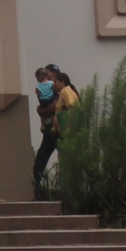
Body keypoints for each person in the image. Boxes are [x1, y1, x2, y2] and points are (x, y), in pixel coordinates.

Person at [32, 64, 79, 192]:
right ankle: (35, 182)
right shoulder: (50, 87)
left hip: (60, 130)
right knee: (43, 155)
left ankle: (64, 187)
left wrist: (41, 109)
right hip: (52, 128)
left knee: (63, 157)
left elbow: (58, 106)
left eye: (48, 72)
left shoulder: (61, 90)